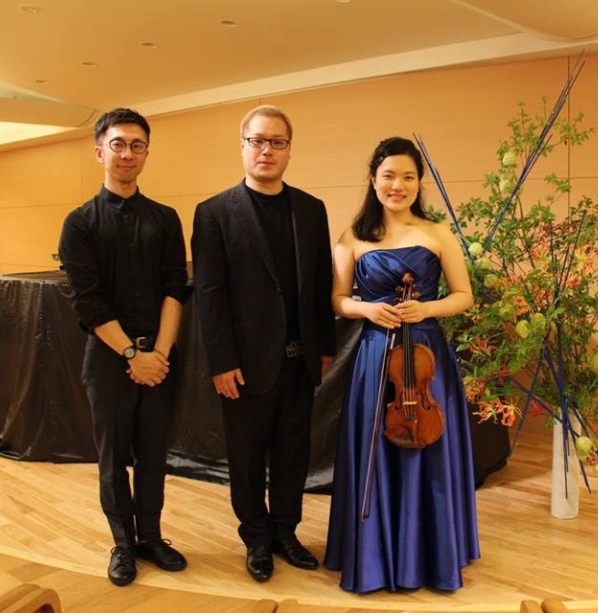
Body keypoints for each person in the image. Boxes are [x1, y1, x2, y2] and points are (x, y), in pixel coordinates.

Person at [323, 136, 480, 593]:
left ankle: (431, 556)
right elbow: (337, 300)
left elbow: (464, 296)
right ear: (373, 180)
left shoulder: (437, 233)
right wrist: (367, 309)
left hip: (426, 355)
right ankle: (375, 555)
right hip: (377, 356)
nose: (398, 185)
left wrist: (426, 309)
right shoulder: (353, 237)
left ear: (418, 183)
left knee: (427, 447)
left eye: (408, 177)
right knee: (377, 448)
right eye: (389, 175)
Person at [191, 105, 336, 583]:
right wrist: (221, 361)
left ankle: (285, 532)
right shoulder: (214, 213)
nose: (266, 150)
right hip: (244, 364)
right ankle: (255, 538)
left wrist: (325, 347)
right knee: (247, 457)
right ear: (243, 146)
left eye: (277, 142)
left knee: (294, 453)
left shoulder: (311, 210)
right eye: (257, 141)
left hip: (300, 360)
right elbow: (209, 294)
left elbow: (320, 284)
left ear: (289, 150)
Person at [58, 108, 189, 586]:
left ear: (147, 153)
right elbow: (88, 302)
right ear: (100, 152)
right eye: (118, 144)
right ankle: (122, 544)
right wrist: (134, 356)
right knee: (113, 459)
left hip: (161, 357)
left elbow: (176, 288)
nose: (127, 153)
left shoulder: (165, 219)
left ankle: (151, 537)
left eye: (137, 145)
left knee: (154, 455)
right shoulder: (79, 223)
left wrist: (160, 355)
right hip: (109, 360)